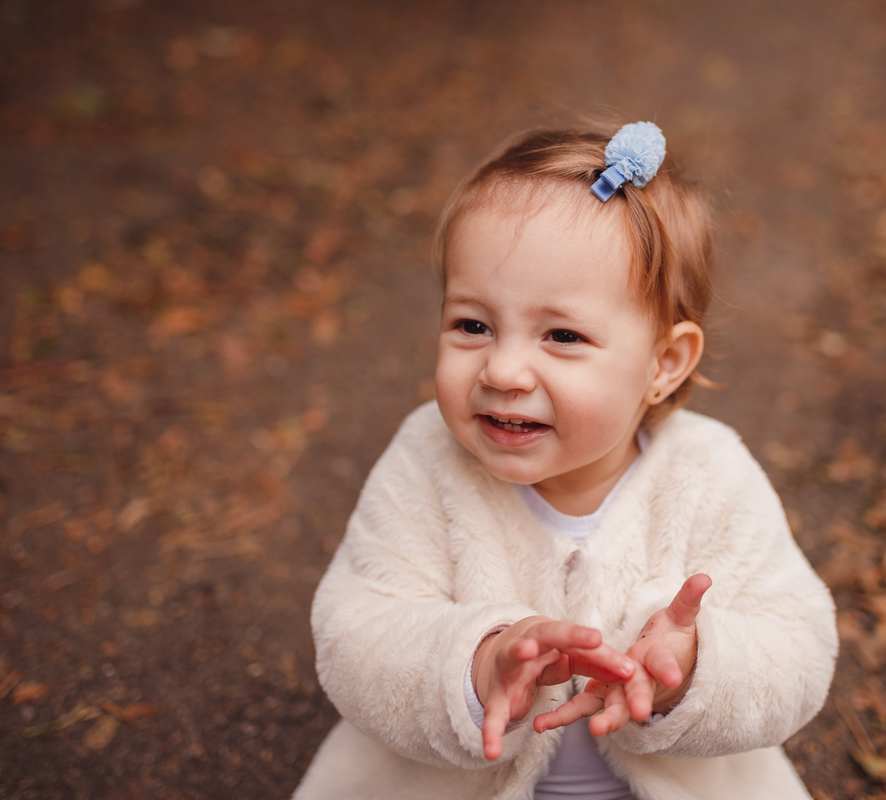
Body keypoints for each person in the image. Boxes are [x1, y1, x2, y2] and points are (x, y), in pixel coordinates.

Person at [293, 121, 837, 800]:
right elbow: (355, 633)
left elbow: (800, 652)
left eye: (562, 335)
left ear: (663, 364)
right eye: (472, 324)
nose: (504, 368)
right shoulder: (425, 462)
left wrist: (694, 669)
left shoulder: (709, 476)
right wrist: (475, 664)